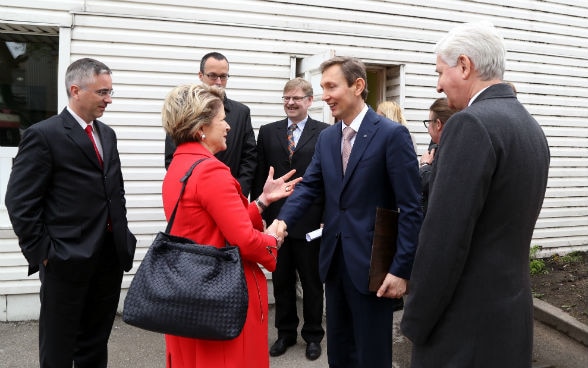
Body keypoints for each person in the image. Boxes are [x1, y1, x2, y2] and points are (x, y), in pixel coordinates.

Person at [400, 21, 550, 367]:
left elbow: (444, 238)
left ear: (465, 65)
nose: (438, 84)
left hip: (463, 327)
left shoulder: (470, 124)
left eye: (440, 71)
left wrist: (415, 320)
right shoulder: (529, 125)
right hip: (510, 318)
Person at [276, 56, 422, 367]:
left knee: (371, 355)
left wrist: (401, 269)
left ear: (357, 86)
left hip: (374, 267)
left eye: (331, 86)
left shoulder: (391, 135)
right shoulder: (328, 138)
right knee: (339, 353)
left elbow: (411, 208)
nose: (325, 95)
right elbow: (310, 187)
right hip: (333, 261)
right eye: (323, 87)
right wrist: (282, 221)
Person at [4, 58, 137, 367]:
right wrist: (44, 253)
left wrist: (122, 234)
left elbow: (114, 191)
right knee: (59, 346)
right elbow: (20, 202)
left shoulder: (108, 135)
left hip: (108, 257)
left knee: (95, 342)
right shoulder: (43, 134)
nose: (109, 99)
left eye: (110, 91)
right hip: (65, 260)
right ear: (76, 90)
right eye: (103, 92)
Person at [161, 83, 302, 368]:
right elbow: (246, 240)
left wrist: (262, 200)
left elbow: (215, 220)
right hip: (221, 295)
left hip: (189, 291)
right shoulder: (212, 170)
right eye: (222, 119)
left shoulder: (180, 164)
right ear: (201, 126)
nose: (228, 126)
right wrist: (273, 239)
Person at [252, 78, 329, 361]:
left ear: (310, 100)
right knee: (281, 280)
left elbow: (328, 181)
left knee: (311, 281)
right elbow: (261, 176)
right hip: (275, 223)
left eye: (296, 98)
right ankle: (285, 333)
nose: (290, 103)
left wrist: (325, 217)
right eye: (286, 98)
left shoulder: (324, 132)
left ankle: (312, 335)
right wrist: (259, 214)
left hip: (310, 222)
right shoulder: (268, 132)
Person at [164, 51, 257, 196]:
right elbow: (172, 159)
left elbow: (249, 159)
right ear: (200, 75)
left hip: (232, 195)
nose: (218, 82)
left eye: (223, 76)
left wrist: (238, 192)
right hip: (195, 195)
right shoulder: (184, 111)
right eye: (213, 75)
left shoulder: (241, 112)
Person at [419, 97, 457, 214]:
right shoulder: (453, 145)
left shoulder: (449, 152)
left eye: (429, 122)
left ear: (438, 124)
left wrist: (424, 166)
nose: (428, 128)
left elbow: (435, 185)